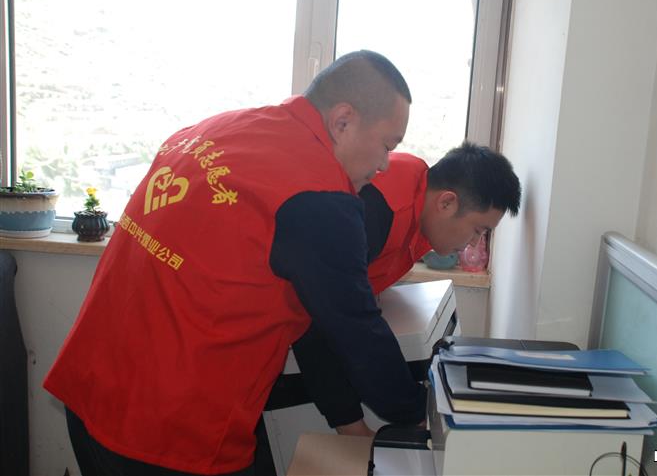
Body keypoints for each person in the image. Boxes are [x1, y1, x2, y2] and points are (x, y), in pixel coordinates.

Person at [43, 50, 428, 476]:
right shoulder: (320, 196)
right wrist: (417, 415)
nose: (384, 164)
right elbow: (357, 328)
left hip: (93, 388)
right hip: (168, 433)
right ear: (343, 121)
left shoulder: (218, 128)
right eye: (387, 145)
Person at [290, 141, 521, 437]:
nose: (474, 244)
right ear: (446, 203)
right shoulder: (376, 207)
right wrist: (359, 422)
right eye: (478, 230)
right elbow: (330, 314)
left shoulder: (420, 204)